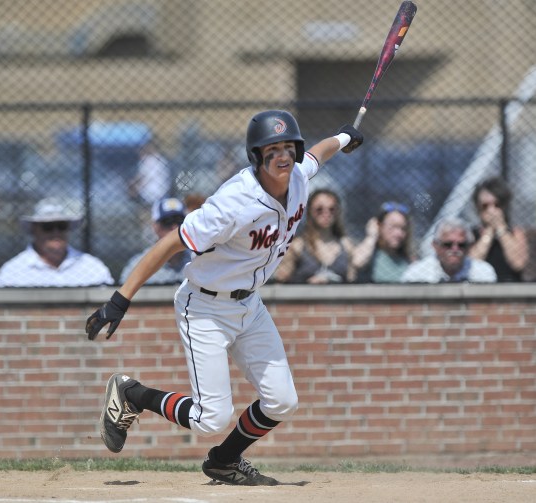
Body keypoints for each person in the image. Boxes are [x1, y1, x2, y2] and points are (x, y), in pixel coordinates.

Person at [85, 110, 363, 485]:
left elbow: (318, 153)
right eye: (272, 149)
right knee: (209, 419)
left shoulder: (298, 176)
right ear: (256, 156)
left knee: (283, 401)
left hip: (250, 305)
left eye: (287, 147)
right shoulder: (234, 202)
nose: (283, 156)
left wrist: (344, 138)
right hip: (204, 308)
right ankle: (132, 394)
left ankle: (223, 461)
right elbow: (171, 243)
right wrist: (121, 299)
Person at [0, 197, 114, 287]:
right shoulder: (13, 271)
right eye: (48, 226)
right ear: (34, 230)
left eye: (61, 226)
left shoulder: (92, 267)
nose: (56, 232)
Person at [273, 188, 355, 284]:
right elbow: (282, 277)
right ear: (310, 211)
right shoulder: (297, 245)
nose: (326, 213)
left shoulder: (346, 245)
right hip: (304, 296)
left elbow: (352, 277)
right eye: (319, 209)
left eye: (332, 209)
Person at [119, 197, 191, 285]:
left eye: (180, 221)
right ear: (155, 227)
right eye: (168, 222)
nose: (175, 227)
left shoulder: (198, 259)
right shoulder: (137, 265)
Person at [401, 217, 496, 283]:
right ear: (435, 246)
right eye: (448, 244)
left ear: (469, 247)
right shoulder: (417, 273)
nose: (455, 249)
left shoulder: (483, 272)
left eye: (461, 245)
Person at [469, 176, 528, 282]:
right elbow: (472, 263)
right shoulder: (472, 234)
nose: (491, 210)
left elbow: (518, 263)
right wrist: (489, 232)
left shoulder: (515, 233)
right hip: (479, 290)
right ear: (478, 208)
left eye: (497, 205)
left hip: (510, 288)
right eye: (485, 206)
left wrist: (501, 229)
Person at [353, 201, 415, 283]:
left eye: (403, 228)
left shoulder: (407, 259)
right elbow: (357, 262)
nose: (398, 233)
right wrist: (372, 235)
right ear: (379, 226)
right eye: (393, 226)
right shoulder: (371, 254)